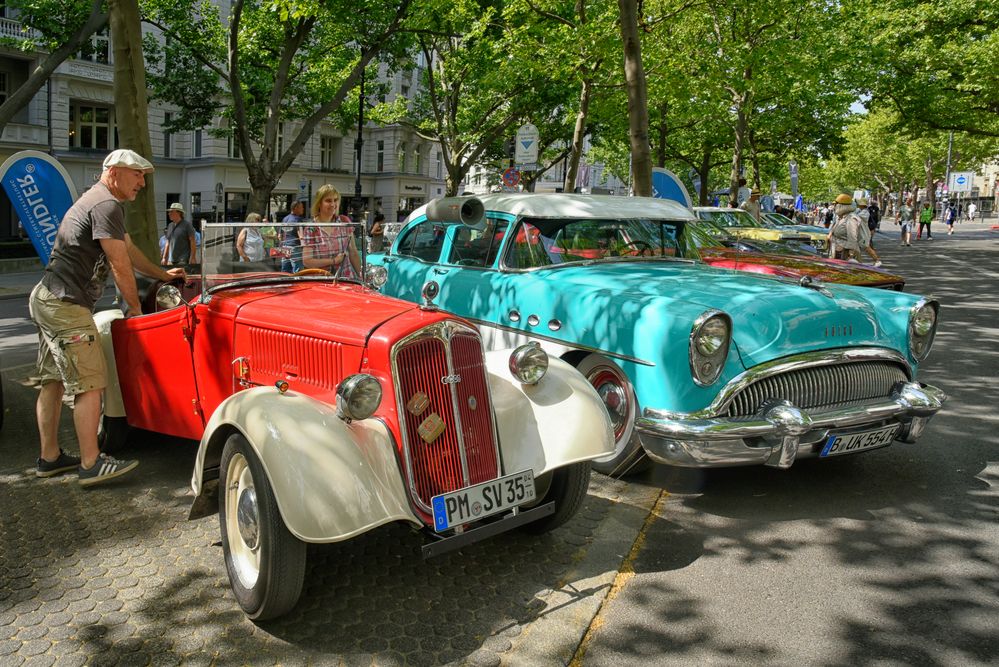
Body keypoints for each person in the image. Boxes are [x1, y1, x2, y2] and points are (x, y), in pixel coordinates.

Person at [29, 149, 186, 486]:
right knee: (91, 383)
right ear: (114, 172)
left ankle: (50, 457)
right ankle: (90, 464)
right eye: (137, 175)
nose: (142, 183)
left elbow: (127, 249)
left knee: (53, 381)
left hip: (46, 297)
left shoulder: (98, 201)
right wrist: (136, 310)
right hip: (65, 304)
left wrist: (163, 274)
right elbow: (119, 264)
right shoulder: (106, 204)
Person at [301, 184, 361, 278]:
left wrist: (362, 278)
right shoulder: (311, 228)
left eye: (335, 200)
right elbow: (307, 261)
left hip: (346, 280)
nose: (333, 204)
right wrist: (334, 261)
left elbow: (353, 252)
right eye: (328, 201)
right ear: (319, 203)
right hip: (322, 284)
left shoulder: (344, 221)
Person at [279, 199, 307, 272]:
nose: (303, 209)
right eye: (301, 207)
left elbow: (280, 235)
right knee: (298, 271)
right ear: (295, 208)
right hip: (295, 247)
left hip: (285, 247)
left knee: (285, 270)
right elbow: (301, 235)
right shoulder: (298, 219)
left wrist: (282, 246)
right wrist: (304, 246)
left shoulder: (285, 219)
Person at [854, 198, 882, 266]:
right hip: (860, 233)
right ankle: (857, 261)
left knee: (867, 247)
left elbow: (855, 217)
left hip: (864, 233)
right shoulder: (860, 211)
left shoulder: (865, 212)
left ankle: (877, 260)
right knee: (856, 247)